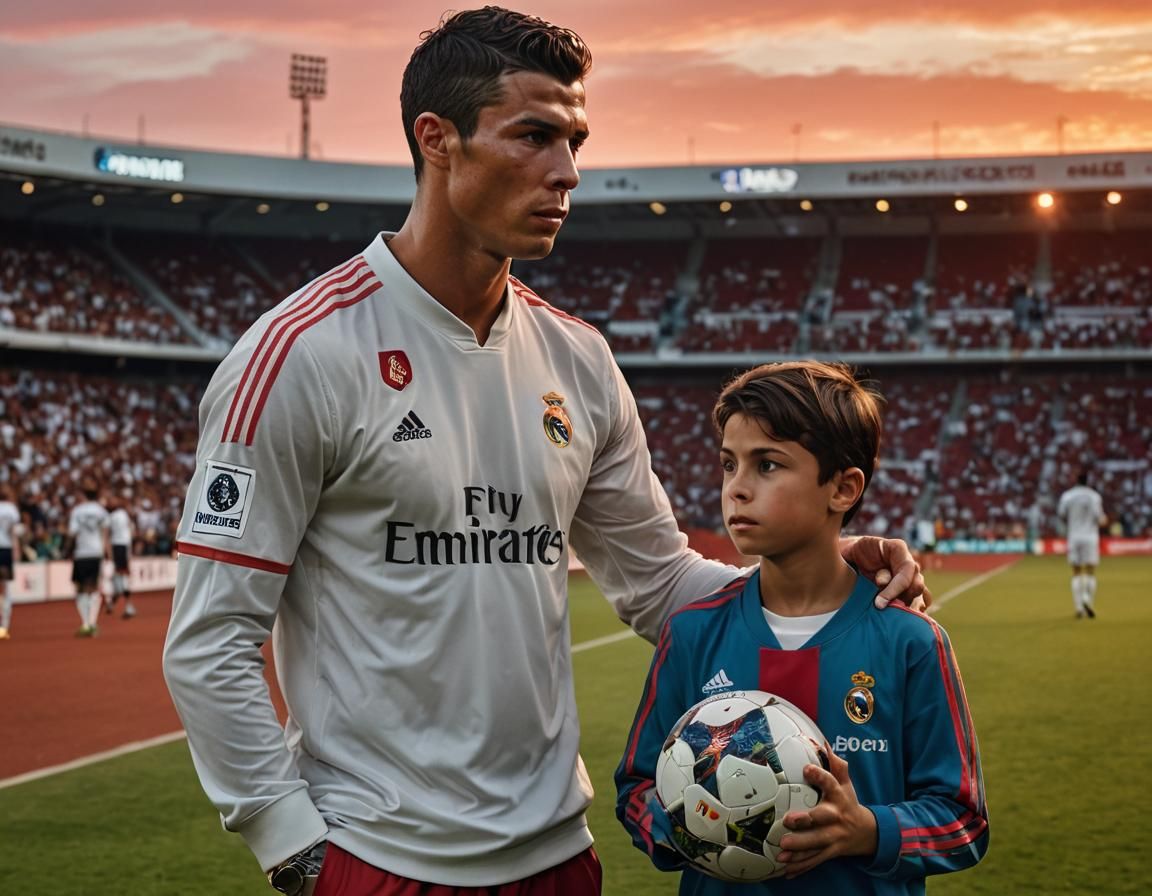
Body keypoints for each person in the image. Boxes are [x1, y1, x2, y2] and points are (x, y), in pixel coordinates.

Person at [162, 9, 927, 896]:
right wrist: (292, 846)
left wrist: (821, 576)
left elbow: (657, 586)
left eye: (575, 140)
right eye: (534, 136)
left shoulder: (579, 358)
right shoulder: (302, 353)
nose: (567, 172)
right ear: (436, 139)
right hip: (379, 858)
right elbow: (211, 637)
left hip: (558, 854)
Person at [615, 361, 988, 894]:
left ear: (843, 488)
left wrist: (868, 831)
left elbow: (963, 821)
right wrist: (683, 826)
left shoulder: (911, 641)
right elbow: (635, 786)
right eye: (728, 464)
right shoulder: (691, 631)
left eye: (767, 465)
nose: (737, 489)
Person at [1056, 470, 1106, 619]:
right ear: (1088, 481)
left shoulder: (1067, 496)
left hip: (1074, 536)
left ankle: (1078, 607)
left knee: (1076, 572)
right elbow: (1100, 518)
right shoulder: (1095, 496)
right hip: (1090, 537)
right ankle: (1087, 599)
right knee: (1090, 571)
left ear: (1075, 480)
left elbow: (1062, 515)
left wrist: (1073, 521)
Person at [67, 478, 110, 637]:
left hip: (81, 552)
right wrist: (106, 553)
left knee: (80, 588)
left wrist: (67, 550)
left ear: (83, 495)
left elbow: (72, 533)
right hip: (96, 552)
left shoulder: (77, 511)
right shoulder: (101, 510)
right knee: (94, 588)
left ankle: (85, 623)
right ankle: (92, 623)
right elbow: (105, 533)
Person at [106, 492, 137, 618]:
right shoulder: (113, 516)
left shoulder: (120, 515)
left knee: (120, 576)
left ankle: (113, 604)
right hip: (119, 546)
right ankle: (127, 606)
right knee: (121, 576)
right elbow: (107, 535)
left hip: (122, 546)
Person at [0, 484, 21, 639]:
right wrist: (16, 549)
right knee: (5, 586)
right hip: (5, 549)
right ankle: (4, 626)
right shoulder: (11, 509)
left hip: (5, 548)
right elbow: (13, 531)